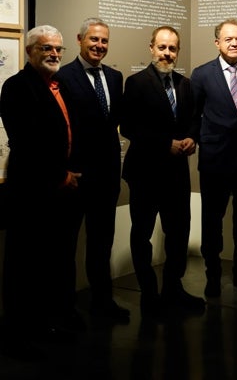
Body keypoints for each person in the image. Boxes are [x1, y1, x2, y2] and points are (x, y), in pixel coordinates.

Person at [0, 25, 81, 357]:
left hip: (56, 193)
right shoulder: (17, 87)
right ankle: (17, 336)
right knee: (23, 265)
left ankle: (41, 324)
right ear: (30, 50)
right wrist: (59, 176)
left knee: (47, 262)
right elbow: (27, 141)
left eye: (59, 49)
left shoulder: (57, 86)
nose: (54, 54)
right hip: (30, 192)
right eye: (47, 48)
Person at [121, 26, 204, 316]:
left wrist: (192, 138)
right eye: (162, 47)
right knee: (142, 234)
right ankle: (149, 294)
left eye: (172, 48)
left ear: (177, 51)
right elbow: (129, 127)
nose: (167, 53)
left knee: (178, 233)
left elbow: (194, 120)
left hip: (176, 175)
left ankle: (173, 288)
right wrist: (163, 144)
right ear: (151, 48)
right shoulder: (136, 82)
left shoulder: (186, 84)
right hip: (145, 173)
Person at [56, 18, 129, 323]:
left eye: (104, 41)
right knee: (67, 246)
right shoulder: (63, 76)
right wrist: (65, 170)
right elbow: (60, 129)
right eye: (94, 40)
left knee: (102, 243)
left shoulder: (115, 77)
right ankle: (64, 308)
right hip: (77, 177)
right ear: (80, 39)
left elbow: (113, 124)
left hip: (107, 177)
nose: (99, 46)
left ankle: (102, 302)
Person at [191, 18, 237, 298]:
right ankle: (212, 276)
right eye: (228, 39)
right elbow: (194, 115)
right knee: (212, 223)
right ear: (217, 43)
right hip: (214, 161)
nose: (234, 43)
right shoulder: (201, 74)